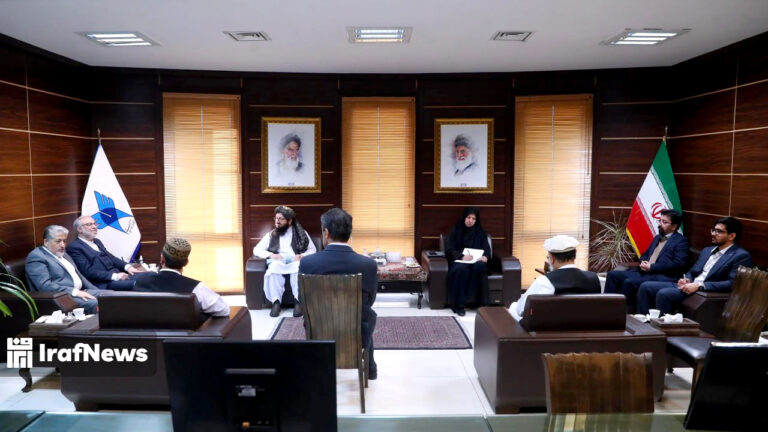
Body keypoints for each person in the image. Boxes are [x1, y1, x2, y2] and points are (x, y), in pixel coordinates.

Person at [299, 207, 378, 379]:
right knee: (365, 315)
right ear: (349, 233)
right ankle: (370, 367)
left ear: (326, 232)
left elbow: (302, 300)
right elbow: (370, 299)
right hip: (356, 332)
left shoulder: (308, 263)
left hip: (319, 330)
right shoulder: (369, 265)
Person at [637, 217, 753, 315]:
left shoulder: (740, 256)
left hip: (704, 290)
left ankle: (662, 329)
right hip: (690, 285)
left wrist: (699, 286)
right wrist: (686, 279)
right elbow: (693, 271)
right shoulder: (707, 250)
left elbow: (732, 283)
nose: (713, 234)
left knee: (664, 294)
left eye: (719, 231)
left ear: (731, 236)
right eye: (713, 230)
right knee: (646, 286)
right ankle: (643, 324)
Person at [604, 209, 689, 312]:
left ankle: (617, 312)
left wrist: (652, 267)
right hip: (645, 272)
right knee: (612, 275)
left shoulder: (681, 241)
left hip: (662, 276)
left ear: (674, 226)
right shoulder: (657, 237)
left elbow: (678, 264)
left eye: (664, 222)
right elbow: (645, 254)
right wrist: (643, 262)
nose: (660, 224)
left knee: (629, 282)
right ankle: (606, 308)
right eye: (660, 220)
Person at [509, 235, 600, 321]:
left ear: (552, 258)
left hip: (549, 329)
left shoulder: (545, 281)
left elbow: (521, 310)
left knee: (514, 307)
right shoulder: (593, 278)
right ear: (575, 254)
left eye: (548, 257)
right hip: (585, 327)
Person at [133, 237, 229, 316]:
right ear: (186, 263)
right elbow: (223, 310)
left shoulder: (139, 281)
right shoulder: (197, 288)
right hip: (183, 334)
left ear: (162, 259)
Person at [25, 225, 107, 314]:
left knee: (113, 296)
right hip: (61, 297)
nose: (63, 245)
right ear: (46, 241)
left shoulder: (63, 254)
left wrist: (98, 291)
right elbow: (44, 286)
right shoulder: (37, 257)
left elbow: (80, 277)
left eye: (64, 241)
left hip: (80, 291)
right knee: (99, 303)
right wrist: (75, 292)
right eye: (58, 241)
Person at [252, 205, 317, 317]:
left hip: (295, 261)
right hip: (279, 261)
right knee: (273, 268)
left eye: (281, 219)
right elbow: (256, 249)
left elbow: (312, 250)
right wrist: (271, 255)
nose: (277, 222)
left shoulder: (301, 234)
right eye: (276, 218)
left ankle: (298, 302)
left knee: (298, 267)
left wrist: (301, 256)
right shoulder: (271, 234)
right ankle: (276, 302)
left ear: (289, 221)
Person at [66, 215, 146, 291]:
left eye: (95, 224)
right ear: (79, 229)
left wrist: (128, 267)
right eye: (89, 224)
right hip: (104, 283)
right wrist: (115, 276)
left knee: (149, 276)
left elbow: (112, 258)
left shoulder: (97, 241)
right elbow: (88, 272)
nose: (94, 227)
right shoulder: (74, 247)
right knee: (141, 284)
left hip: (119, 275)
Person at [445, 207, 491, 316]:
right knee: (461, 269)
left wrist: (485, 257)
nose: (471, 220)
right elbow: (450, 250)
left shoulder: (480, 232)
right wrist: (462, 256)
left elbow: (487, 250)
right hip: (460, 261)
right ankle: (459, 305)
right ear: (464, 218)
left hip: (476, 262)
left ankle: (483, 305)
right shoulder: (456, 230)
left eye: (474, 219)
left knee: (480, 268)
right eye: (469, 217)